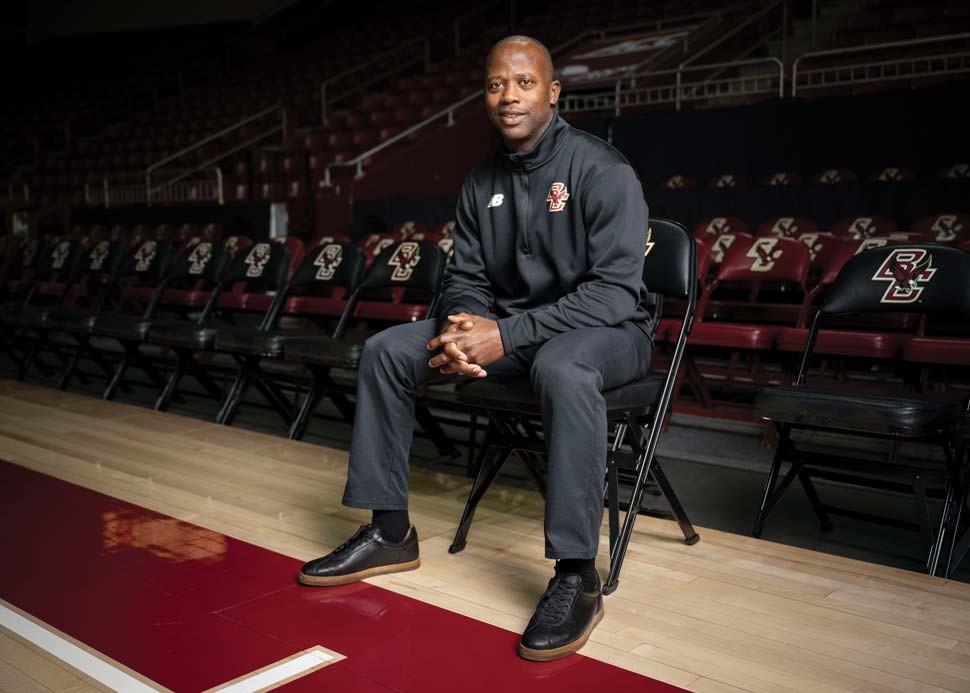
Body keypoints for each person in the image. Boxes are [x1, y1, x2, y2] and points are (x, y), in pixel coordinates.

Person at [298, 35, 652, 661]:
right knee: (385, 350)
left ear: (552, 92)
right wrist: (463, 329)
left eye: (523, 83)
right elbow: (466, 278)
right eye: (495, 84)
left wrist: (504, 335)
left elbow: (615, 296)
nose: (508, 96)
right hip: (513, 330)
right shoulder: (480, 180)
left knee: (562, 367)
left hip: (607, 334)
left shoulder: (604, 171)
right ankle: (389, 530)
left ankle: (577, 575)